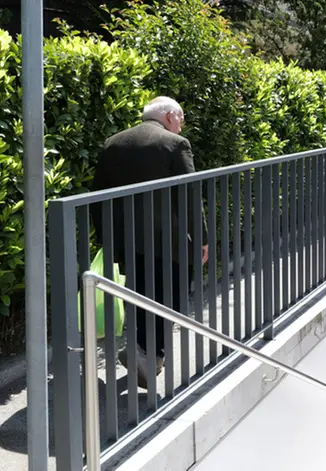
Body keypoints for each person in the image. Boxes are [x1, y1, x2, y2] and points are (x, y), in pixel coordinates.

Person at [92, 96, 207, 389]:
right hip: (167, 241)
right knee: (171, 299)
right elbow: (190, 195)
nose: (181, 125)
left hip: (126, 239)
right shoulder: (175, 144)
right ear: (169, 116)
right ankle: (149, 356)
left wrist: (105, 236)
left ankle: (144, 354)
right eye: (181, 118)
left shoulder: (114, 142)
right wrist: (202, 239)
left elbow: (97, 194)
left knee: (141, 293)